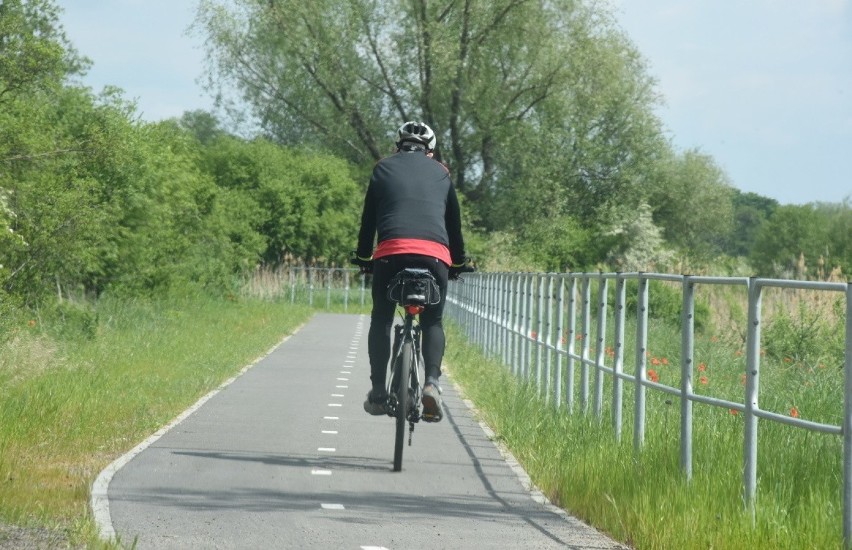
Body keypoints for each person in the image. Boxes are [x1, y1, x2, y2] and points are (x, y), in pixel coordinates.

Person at [352, 121, 469, 423]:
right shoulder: (442, 173)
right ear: (430, 152)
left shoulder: (382, 168)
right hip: (434, 258)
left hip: (390, 255)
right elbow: (453, 227)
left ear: (398, 146)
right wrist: (458, 263)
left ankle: (379, 391)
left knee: (381, 318)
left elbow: (369, 222)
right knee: (433, 321)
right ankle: (431, 382)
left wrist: (364, 257)